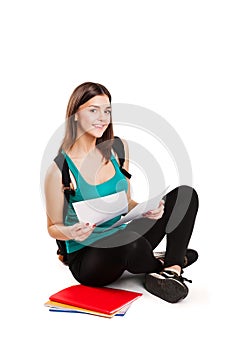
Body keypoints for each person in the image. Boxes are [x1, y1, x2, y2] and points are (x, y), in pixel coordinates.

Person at [44, 82, 199, 303]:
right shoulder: (59, 169)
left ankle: (172, 269)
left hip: (123, 234)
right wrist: (71, 233)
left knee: (185, 195)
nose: (102, 117)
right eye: (93, 110)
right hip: (89, 256)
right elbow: (52, 228)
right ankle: (159, 262)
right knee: (129, 241)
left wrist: (147, 210)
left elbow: (126, 203)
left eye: (107, 110)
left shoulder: (118, 149)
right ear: (75, 115)